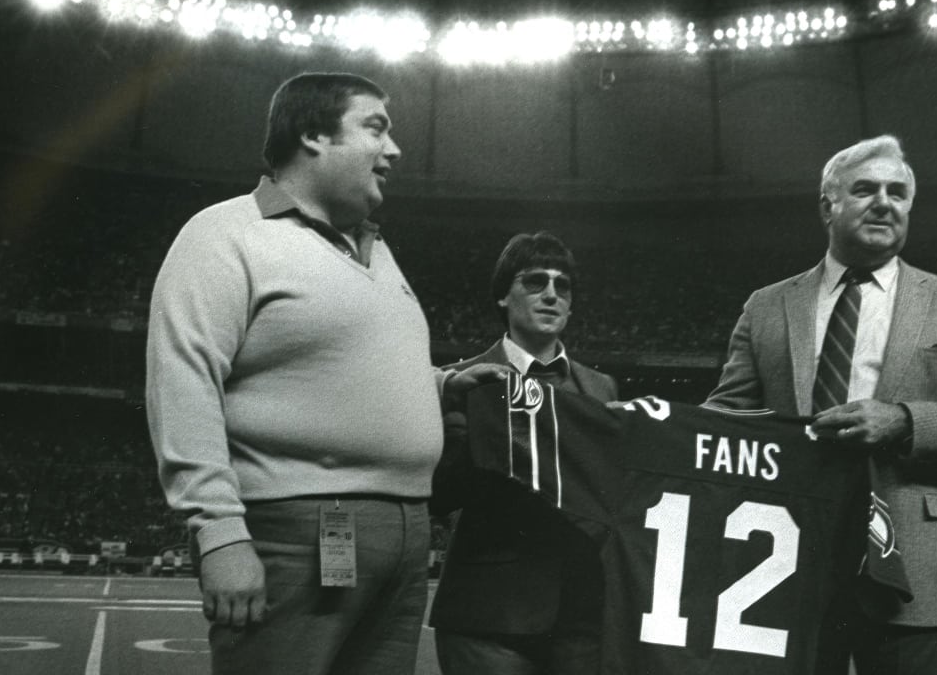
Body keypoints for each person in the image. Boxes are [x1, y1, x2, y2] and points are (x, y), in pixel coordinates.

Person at [146, 72, 505, 675]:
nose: (394, 152)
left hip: (409, 535)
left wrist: (437, 385)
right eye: (376, 128)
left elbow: (344, 371)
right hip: (296, 532)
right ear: (313, 134)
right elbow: (182, 378)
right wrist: (219, 532)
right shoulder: (224, 233)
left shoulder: (375, 249)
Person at [704, 135, 937, 675]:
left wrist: (903, 420)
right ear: (828, 205)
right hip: (786, 553)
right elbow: (726, 416)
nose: (885, 202)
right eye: (865, 189)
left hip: (909, 554)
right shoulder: (767, 305)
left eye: (898, 192)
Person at [430, 231, 619, 675]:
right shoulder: (459, 381)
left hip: (582, 613)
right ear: (502, 296)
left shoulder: (601, 388)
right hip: (487, 613)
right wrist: (465, 434)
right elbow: (435, 495)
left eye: (562, 286)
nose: (552, 294)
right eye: (535, 282)